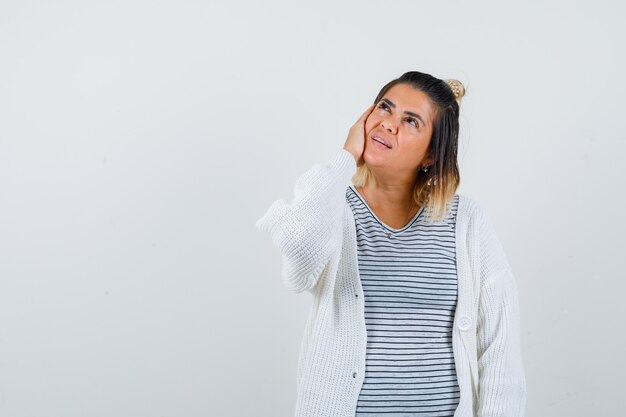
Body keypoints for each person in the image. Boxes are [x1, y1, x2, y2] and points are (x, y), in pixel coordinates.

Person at [255, 71, 527, 417]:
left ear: (431, 155)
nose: (388, 124)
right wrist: (345, 158)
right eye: (384, 108)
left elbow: (499, 348)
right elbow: (296, 253)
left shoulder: (467, 222)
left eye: (411, 121)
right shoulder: (335, 210)